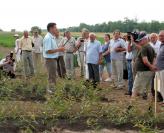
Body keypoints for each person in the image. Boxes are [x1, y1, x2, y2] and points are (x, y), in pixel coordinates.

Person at [131, 32, 157, 99]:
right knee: (148, 90)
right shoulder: (151, 47)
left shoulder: (144, 48)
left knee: (135, 90)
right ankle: (150, 108)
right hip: (148, 72)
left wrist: (151, 67)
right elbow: (154, 58)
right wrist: (152, 67)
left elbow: (145, 61)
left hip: (142, 72)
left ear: (145, 39)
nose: (139, 42)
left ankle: (131, 107)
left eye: (140, 40)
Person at [43, 23, 65, 93]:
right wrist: (59, 49)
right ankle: (51, 91)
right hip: (50, 60)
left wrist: (58, 49)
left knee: (53, 76)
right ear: (51, 29)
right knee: (52, 76)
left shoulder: (51, 37)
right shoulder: (48, 38)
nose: (56, 29)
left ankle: (52, 90)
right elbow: (48, 51)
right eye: (55, 27)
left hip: (52, 60)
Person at [156, 30, 164, 106]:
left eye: (162, 36)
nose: (161, 37)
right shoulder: (161, 45)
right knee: (160, 85)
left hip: (163, 69)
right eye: (160, 36)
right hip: (158, 69)